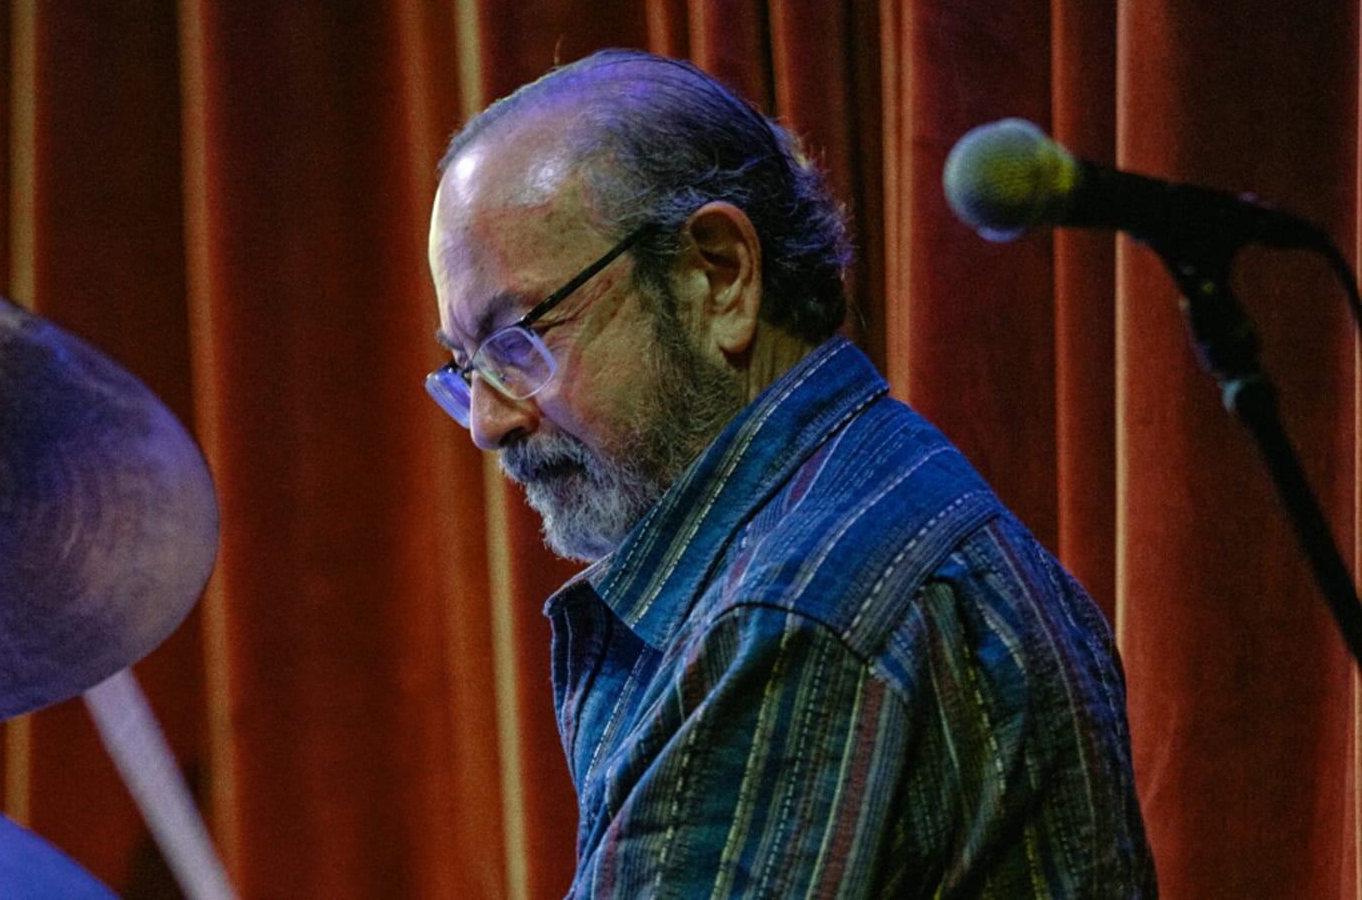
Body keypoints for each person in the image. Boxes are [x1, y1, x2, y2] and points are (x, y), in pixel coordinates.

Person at [424, 49, 1156, 897]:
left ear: (719, 273)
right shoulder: (884, 501)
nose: (488, 420)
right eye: (465, 365)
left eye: (518, 342)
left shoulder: (791, 611)